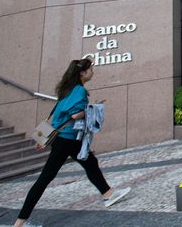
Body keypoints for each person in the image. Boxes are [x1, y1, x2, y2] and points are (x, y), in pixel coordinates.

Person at [14, 58, 130, 227]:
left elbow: (59, 114)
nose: (92, 72)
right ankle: (19, 223)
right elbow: (75, 115)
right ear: (82, 73)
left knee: (90, 162)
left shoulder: (67, 89)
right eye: (90, 70)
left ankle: (108, 193)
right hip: (66, 139)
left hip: (66, 138)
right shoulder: (79, 91)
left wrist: (43, 137)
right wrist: (93, 109)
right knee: (45, 178)